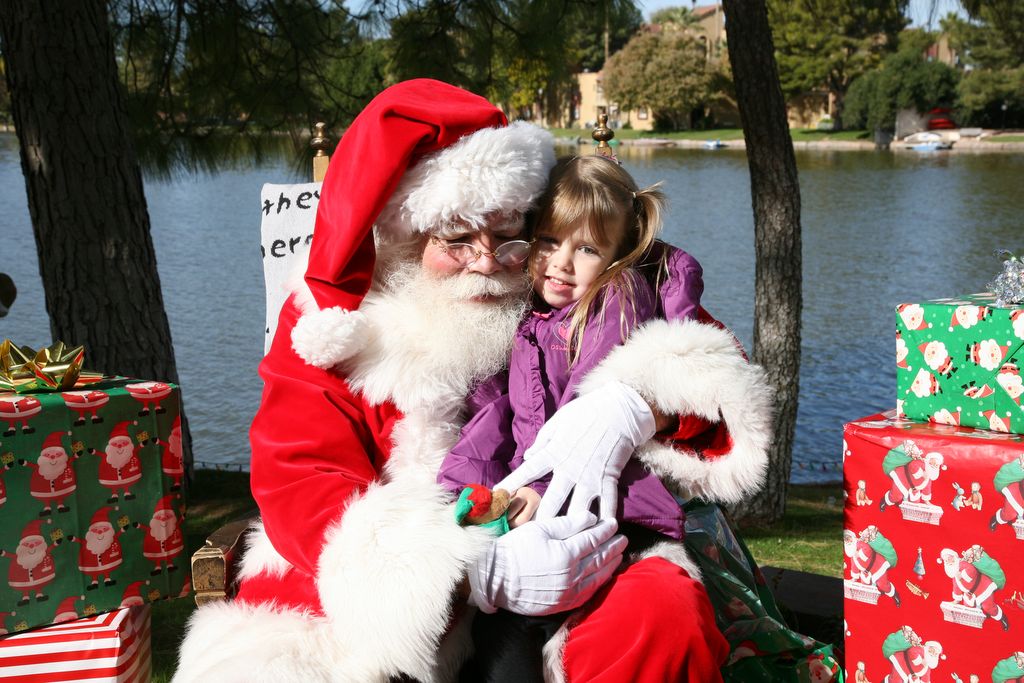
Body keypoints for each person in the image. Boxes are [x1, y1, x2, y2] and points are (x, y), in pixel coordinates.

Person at [173, 79, 773, 683]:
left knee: (659, 616)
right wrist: (469, 571)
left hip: (582, 541)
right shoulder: (332, 327)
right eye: (457, 239)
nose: (487, 261)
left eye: (511, 235)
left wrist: (633, 404)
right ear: (405, 239)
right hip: (379, 577)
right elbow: (300, 476)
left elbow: (715, 373)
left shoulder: (568, 287)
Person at [437, 156, 720, 679]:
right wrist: (457, 496)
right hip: (539, 507)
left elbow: (583, 420)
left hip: (607, 508)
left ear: (618, 255)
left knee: (560, 621)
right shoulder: (530, 319)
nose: (560, 263)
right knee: (499, 641)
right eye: (548, 240)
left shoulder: (612, 301)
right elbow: (495, 420)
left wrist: (539, 491)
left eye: (587, 248)